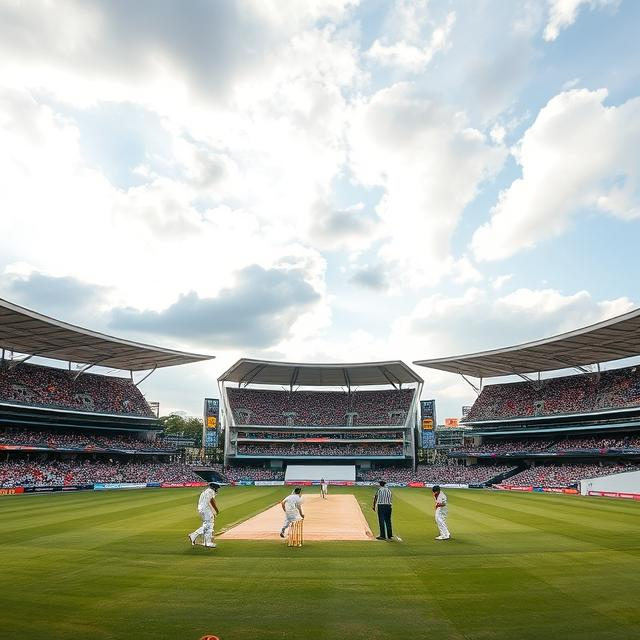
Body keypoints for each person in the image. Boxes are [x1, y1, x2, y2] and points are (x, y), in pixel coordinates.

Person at [188, 482, 220, 548]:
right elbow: (212, 501)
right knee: (209, 525)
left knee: (207, 524)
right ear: (214, 488)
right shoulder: (211, 491)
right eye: (217, 488)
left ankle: (206, 542)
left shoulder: (205, 491)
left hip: (201, 509)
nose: (217, 490)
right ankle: (195, 535)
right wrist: (216, 510)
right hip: (206, 510)